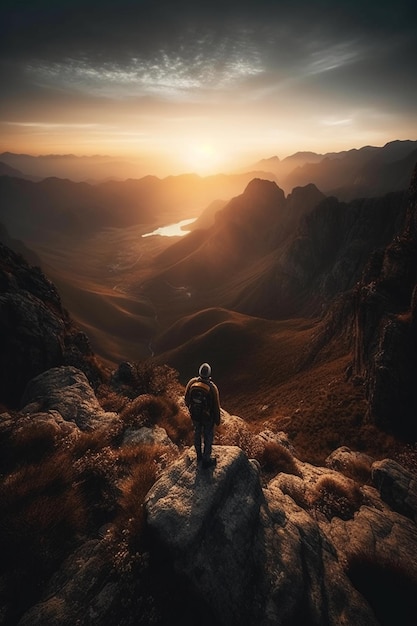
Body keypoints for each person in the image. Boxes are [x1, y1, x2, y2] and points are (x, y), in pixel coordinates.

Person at [184, 362, 221, 468]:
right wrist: (217, 420)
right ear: (209, 374)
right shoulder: (212, 387)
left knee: (197, 434)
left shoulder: (192, 382)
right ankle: (206, 459)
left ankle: (199, 455)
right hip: (207, 418)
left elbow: (186, 399)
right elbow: (215, 406)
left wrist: (192, 410)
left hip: (195, 416)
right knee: (208, 436)